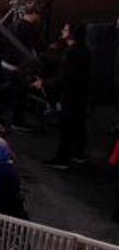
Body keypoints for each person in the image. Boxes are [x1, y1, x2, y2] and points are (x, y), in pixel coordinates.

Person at [41, 23, 92, 169]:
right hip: (81, 95)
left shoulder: (71, 53)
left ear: (72, 34)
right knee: (78, 125)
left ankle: (62, 159)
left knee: (66, 127)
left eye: (65, 29)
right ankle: (77, 154)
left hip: (70, 95)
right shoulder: (85, 51)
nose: (62, 31)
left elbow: (64, 77)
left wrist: (44, 83)